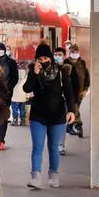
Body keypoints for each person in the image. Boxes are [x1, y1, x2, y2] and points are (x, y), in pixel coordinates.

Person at [23, 44, 77, 189]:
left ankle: (53, 175)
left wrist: (71, 110)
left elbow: (69, 92)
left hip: (57, 115)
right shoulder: (32, 70)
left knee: (53, 147)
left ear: (51, 58)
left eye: (46, 57)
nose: (43, 60)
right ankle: (35, 177)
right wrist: (34, 74)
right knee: (37, 147)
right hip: (38, 115)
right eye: (40, 58)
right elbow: (26, 89)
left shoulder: (60, 71)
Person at [0, 43, 19, 148]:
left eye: (1, 49)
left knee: (2, 117)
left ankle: (1, 140)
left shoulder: (11, 63)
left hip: (6, 95)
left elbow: (14, 78)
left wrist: (9, 89)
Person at [65, 43, 90, 138]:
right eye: (72, 52)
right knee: (74, 107)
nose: (74, 53)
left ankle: (71, 125)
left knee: (75, 108)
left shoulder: (82, 63)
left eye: (76, 52)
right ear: (69, 52)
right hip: (69, 91)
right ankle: (78, 125)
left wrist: (85, 89)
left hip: (79, 92)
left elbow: (87, 77)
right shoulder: (66, 63)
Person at [10, 59, 28, 127]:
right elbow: (27, 85)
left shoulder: (14, 73)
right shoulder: (26, 74)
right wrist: (27, 95)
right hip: (23, 95)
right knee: (22, 109)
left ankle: (15, 121)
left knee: (14, 109)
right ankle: (23, 121)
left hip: (14, 95)